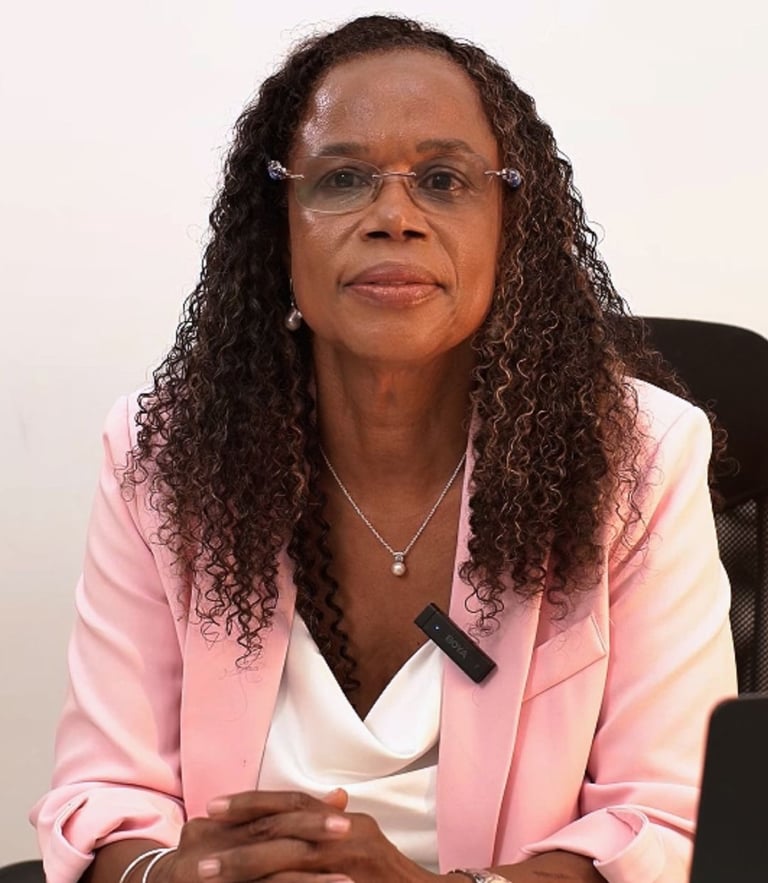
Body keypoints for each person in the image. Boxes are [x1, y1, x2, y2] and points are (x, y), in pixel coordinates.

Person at [31, 14, 737, 883]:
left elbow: (667, 822)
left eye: (443, 180)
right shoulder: (163, 457)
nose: (393, 216)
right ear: (278, 228)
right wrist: (173, 877)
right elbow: (101, 796)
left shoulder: (638, 461)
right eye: (342, 179)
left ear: (510, 227)